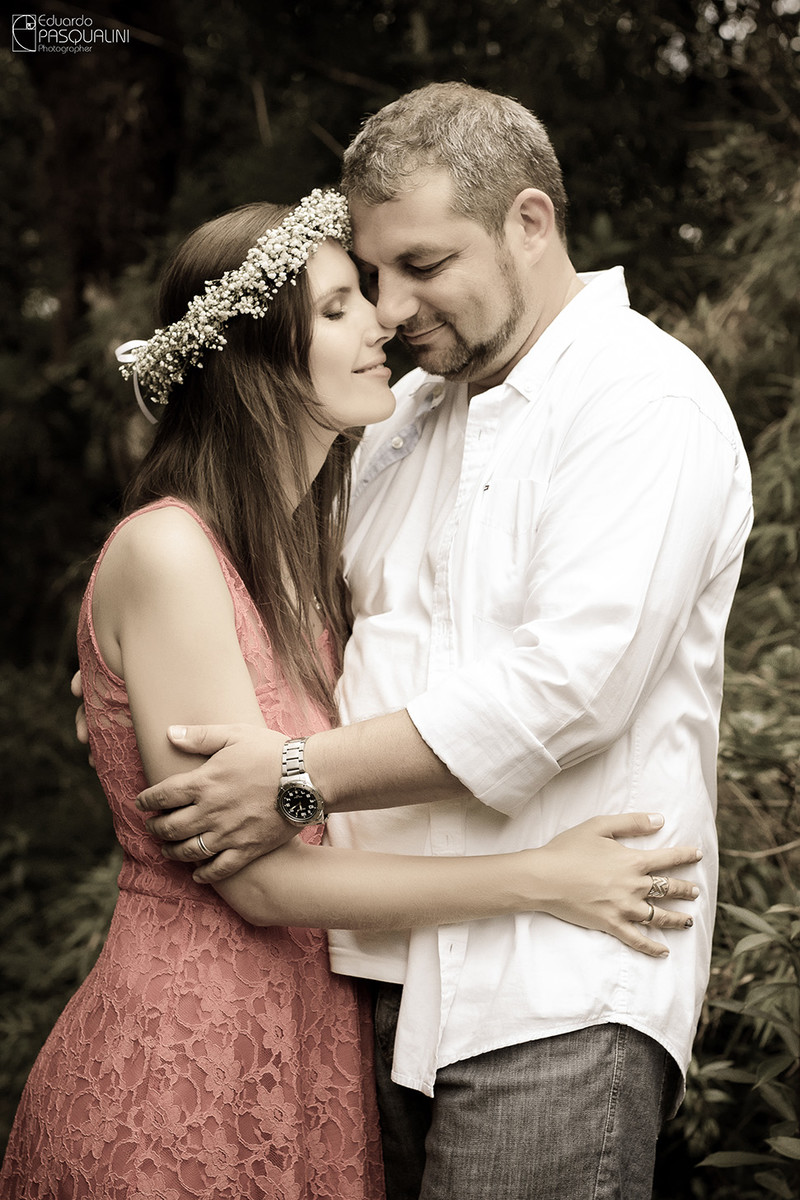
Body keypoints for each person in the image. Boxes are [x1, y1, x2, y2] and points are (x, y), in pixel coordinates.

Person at [122, 84, 754, 1199]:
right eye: (370, 276)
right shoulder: (402, 424)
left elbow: (566, 689)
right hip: (370, 983)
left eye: (421, 264)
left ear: (527, 222)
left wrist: (296, 779)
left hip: (554, 990)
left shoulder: (639, 399)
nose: (391, 306)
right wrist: (128, 651)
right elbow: (302, 628)